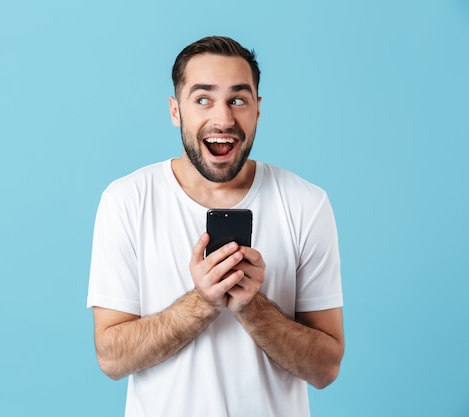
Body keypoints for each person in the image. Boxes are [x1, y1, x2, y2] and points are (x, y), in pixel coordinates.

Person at [87, 36, 344, 417]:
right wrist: (202, 303)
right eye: (203, 99)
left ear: (258, 109)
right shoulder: (126, 200)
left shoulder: (307, 204)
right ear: (176, 111)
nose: (223, 119)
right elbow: (111, 357)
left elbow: (326, 368)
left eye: (238, 99)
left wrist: (251, 307)